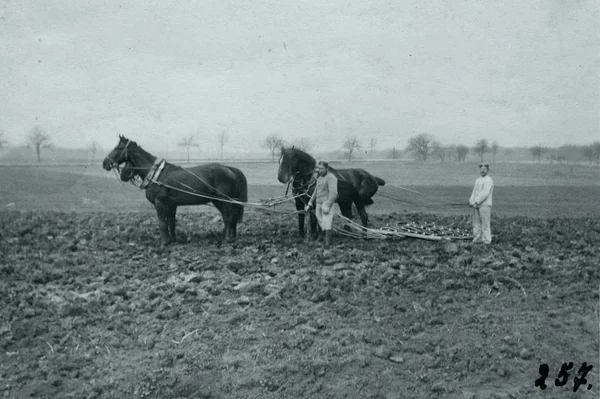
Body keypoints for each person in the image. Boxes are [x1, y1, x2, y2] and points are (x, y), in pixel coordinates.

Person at [305, 161, 338, 246]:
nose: (320, 170)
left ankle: (327, 242)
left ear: (327, 168)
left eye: (322, 168)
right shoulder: (319, 178)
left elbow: (334, 194)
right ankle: (322, 237)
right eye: (319, 168)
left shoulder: (331, 178)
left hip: (325, 205)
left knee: (326, 223)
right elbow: (315, 192)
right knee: (321, 222)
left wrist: (328, 205)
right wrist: (310, 203)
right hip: (318, 204)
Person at [469, 164, 494, 244]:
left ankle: (486, 240)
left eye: (485, 169)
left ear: (487, 170)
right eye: (481, 169)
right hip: (476, 205)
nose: (483, 170)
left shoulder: (489, 180)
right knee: (476, 223)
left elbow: (485, 193)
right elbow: (474, 192)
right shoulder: (477, 180)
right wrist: (471, 201)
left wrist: (476, 201)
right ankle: (477, 239)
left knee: (485, 223)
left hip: (485, 205)